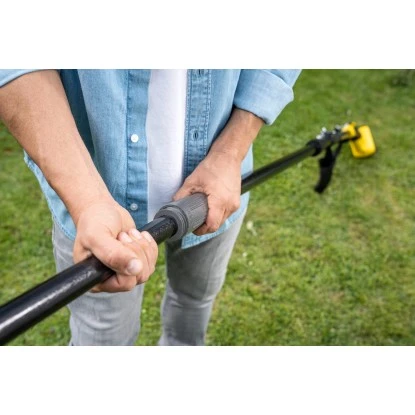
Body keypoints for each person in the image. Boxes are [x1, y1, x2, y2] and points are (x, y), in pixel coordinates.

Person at [0, 69, 300, 345]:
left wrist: (230, 152)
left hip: (216, 191)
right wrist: (89, 202)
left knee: (194, 302)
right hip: (94, 209)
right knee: (101, 340)